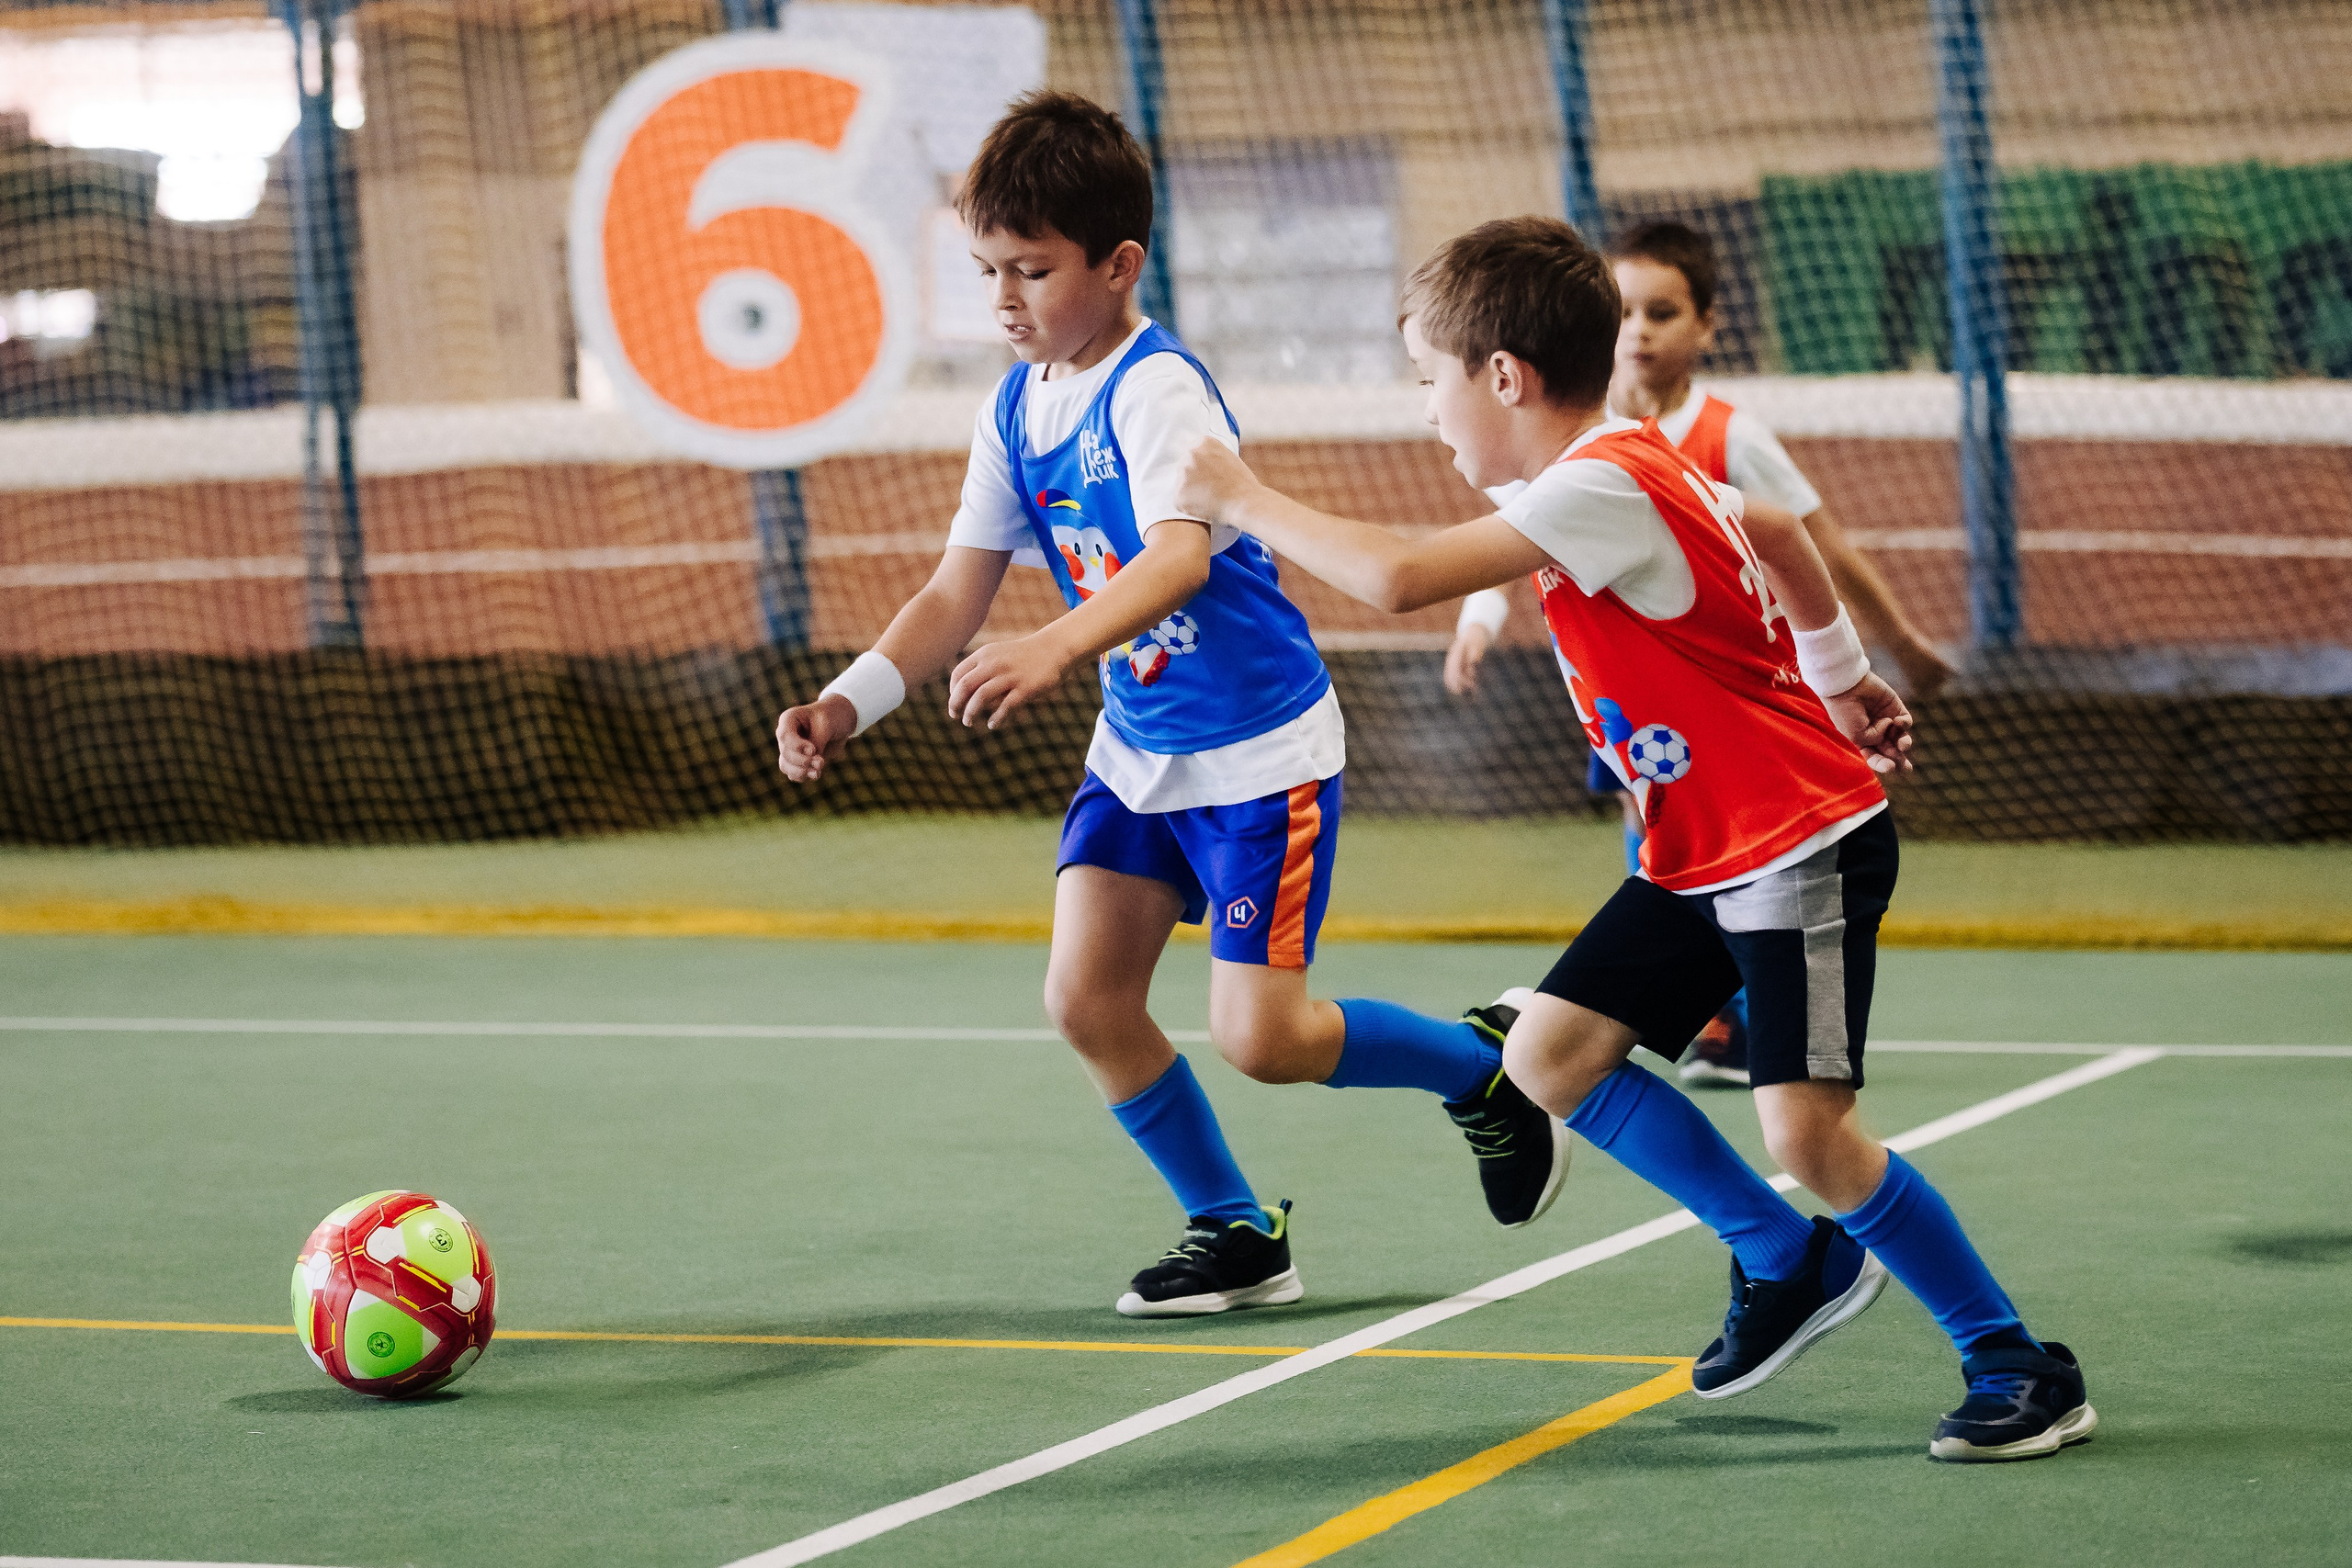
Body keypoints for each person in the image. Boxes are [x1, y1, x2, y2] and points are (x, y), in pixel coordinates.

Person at [1176, 215, 2094, 1461]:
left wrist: (1236, 492)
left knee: (1807, 1132)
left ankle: (2018, 1361)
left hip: (1798, 839)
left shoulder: (1601, 481)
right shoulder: (1622, 461)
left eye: (1428, 380)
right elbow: (1771, 528)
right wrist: (1841, 672)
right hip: (1704, 848)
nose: (1425, 411)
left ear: (1502, 374)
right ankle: (1786, 1260)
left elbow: (1397, 578)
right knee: (1550, 1056)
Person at [774, 95, 1565, 1321]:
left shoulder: (1157, 392)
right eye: (988, 268)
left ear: (1118, 263)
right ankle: (1236, 1227)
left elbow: (1176, 559)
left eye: (1032, 269)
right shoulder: (1015, 404)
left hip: (1259, 748)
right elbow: (952, 587)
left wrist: (1052, 643)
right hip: (1142, 749)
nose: (1004, 297)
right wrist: (848, 698)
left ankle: (1485, 1070)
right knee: (1086, 998)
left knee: (1266, 1034)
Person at [1446, 220, 1957, 1089]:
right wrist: (1480, 616)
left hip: (1735, 706)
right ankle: (1675, 1000)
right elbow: (1523, 539)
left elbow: (1807, 537)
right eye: (1627, 312)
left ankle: (1738, 1014)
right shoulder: (1563, 450)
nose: (1639, 330)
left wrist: (1890, 644)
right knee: (1654, 838)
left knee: (1746, 866)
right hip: (1640, 705)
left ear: (1706, 326)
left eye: (1662, 310)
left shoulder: (1722, 437)